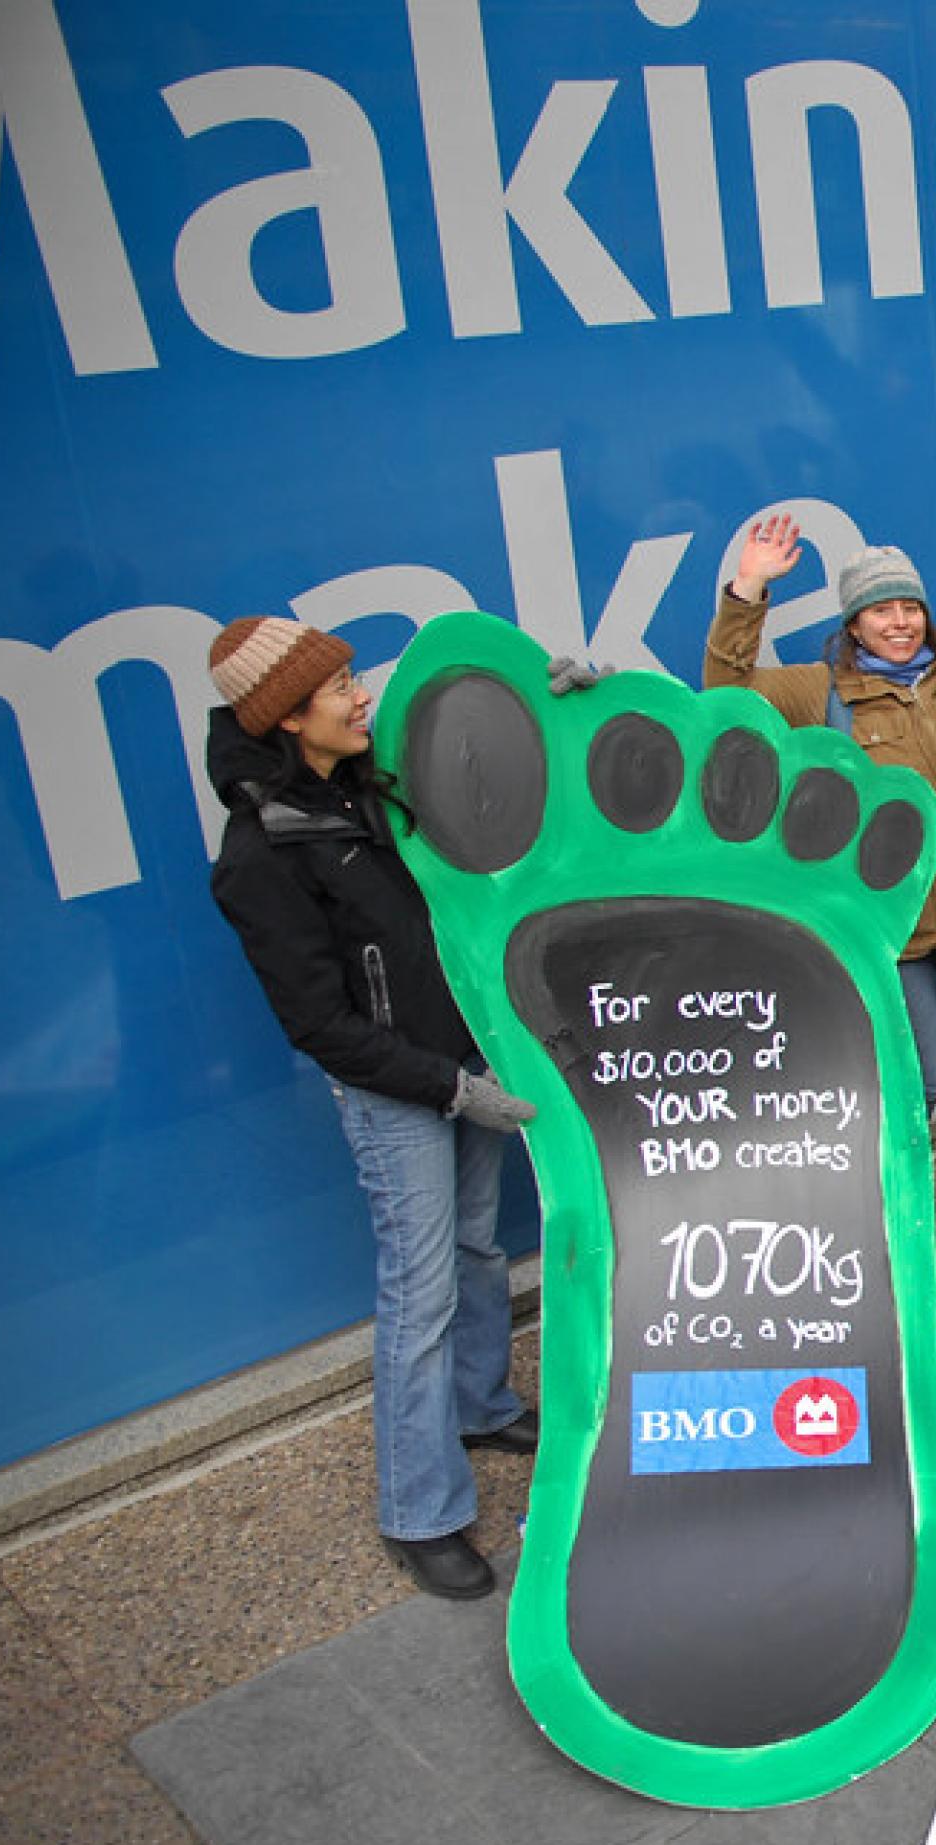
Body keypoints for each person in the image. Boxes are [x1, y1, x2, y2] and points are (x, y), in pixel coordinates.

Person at [206, 617, 551, 1600]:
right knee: (422, 1287)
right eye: (341, 685)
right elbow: (316, 1021)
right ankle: (422, 1510)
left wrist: (564, 696)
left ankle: (482, 1404)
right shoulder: (259, 853)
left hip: (463, 1060)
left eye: (355, 676)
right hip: (401, 1090)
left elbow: (500, 767)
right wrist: (451, 1088)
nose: (364, 695)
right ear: (285, 717)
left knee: (480, 1248)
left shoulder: (371, 777)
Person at [707, 517, 936, 1138]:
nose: (900, 622)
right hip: (892, 930)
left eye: (910, 607)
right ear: (854, 624)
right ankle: (898, 1210)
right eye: (881, 611)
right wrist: (748, 589)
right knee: (920, 1081)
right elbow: (728, 691)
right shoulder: (819, 692)